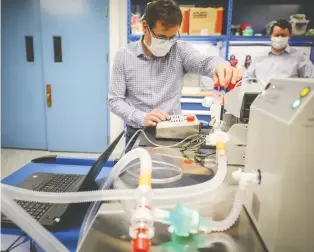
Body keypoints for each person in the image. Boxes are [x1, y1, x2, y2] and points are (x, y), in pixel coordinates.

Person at [108, 0, 241, 151]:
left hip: (174, 132)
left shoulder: (180, 50)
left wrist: (220, 66)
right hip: (137, 132)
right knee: (137, 173)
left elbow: (205, 62)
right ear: (145, 27)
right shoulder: (123, 56)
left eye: (172, 37)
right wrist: (141, 117)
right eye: (162, 37)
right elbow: (115, 100)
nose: (168, 43)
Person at [244, 19, 314, 86]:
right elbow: (246, 80)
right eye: (277, 35)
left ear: (289, 36)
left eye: (283, 35)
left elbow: (311, 81)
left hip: (288, 97)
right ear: (271, 36)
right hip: (262, 97)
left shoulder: (300, 57)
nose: (280, 38)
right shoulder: (258, 58)